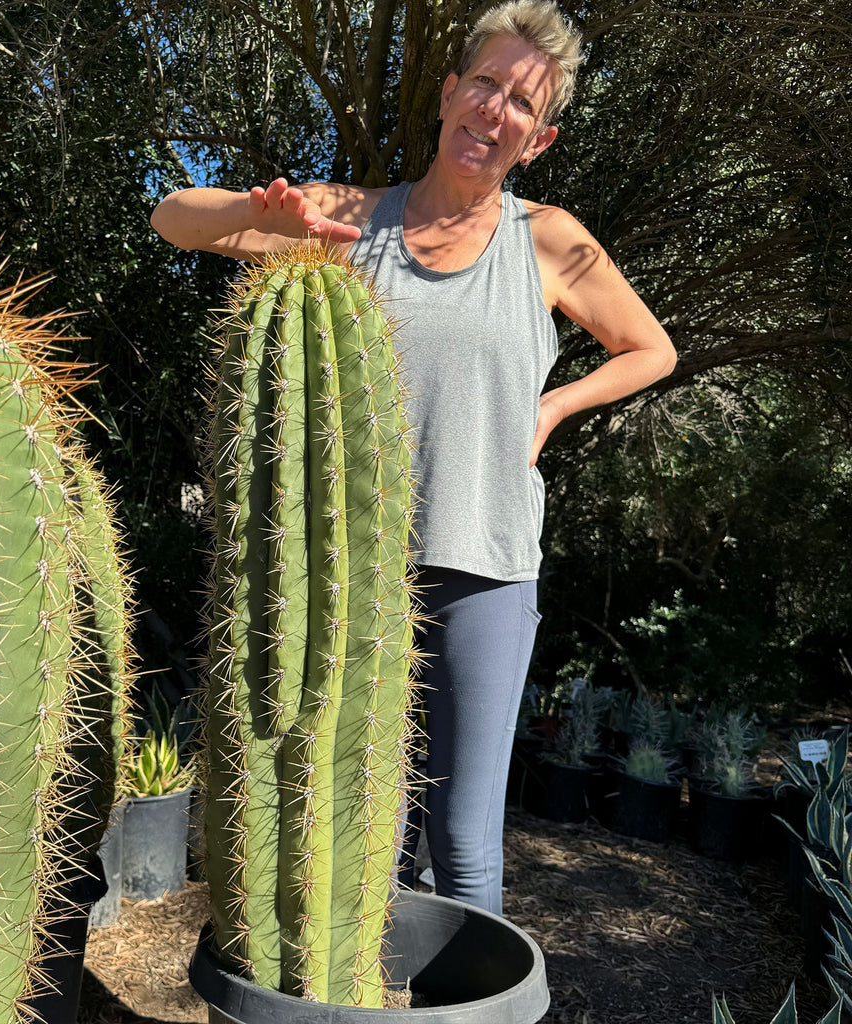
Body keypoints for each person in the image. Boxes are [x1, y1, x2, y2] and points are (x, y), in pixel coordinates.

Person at [151, 0, 676, 916]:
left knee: (462, 833)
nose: (494, 109)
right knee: (360, 825)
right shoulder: (355, 222)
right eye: (485, 83)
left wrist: (554, 405)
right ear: (447, 94)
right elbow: (173, 217)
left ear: (538, 138)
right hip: (358, 574)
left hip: (486, 565)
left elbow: (651, 349)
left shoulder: (546, 239)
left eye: (520, 101)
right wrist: (256, 213)